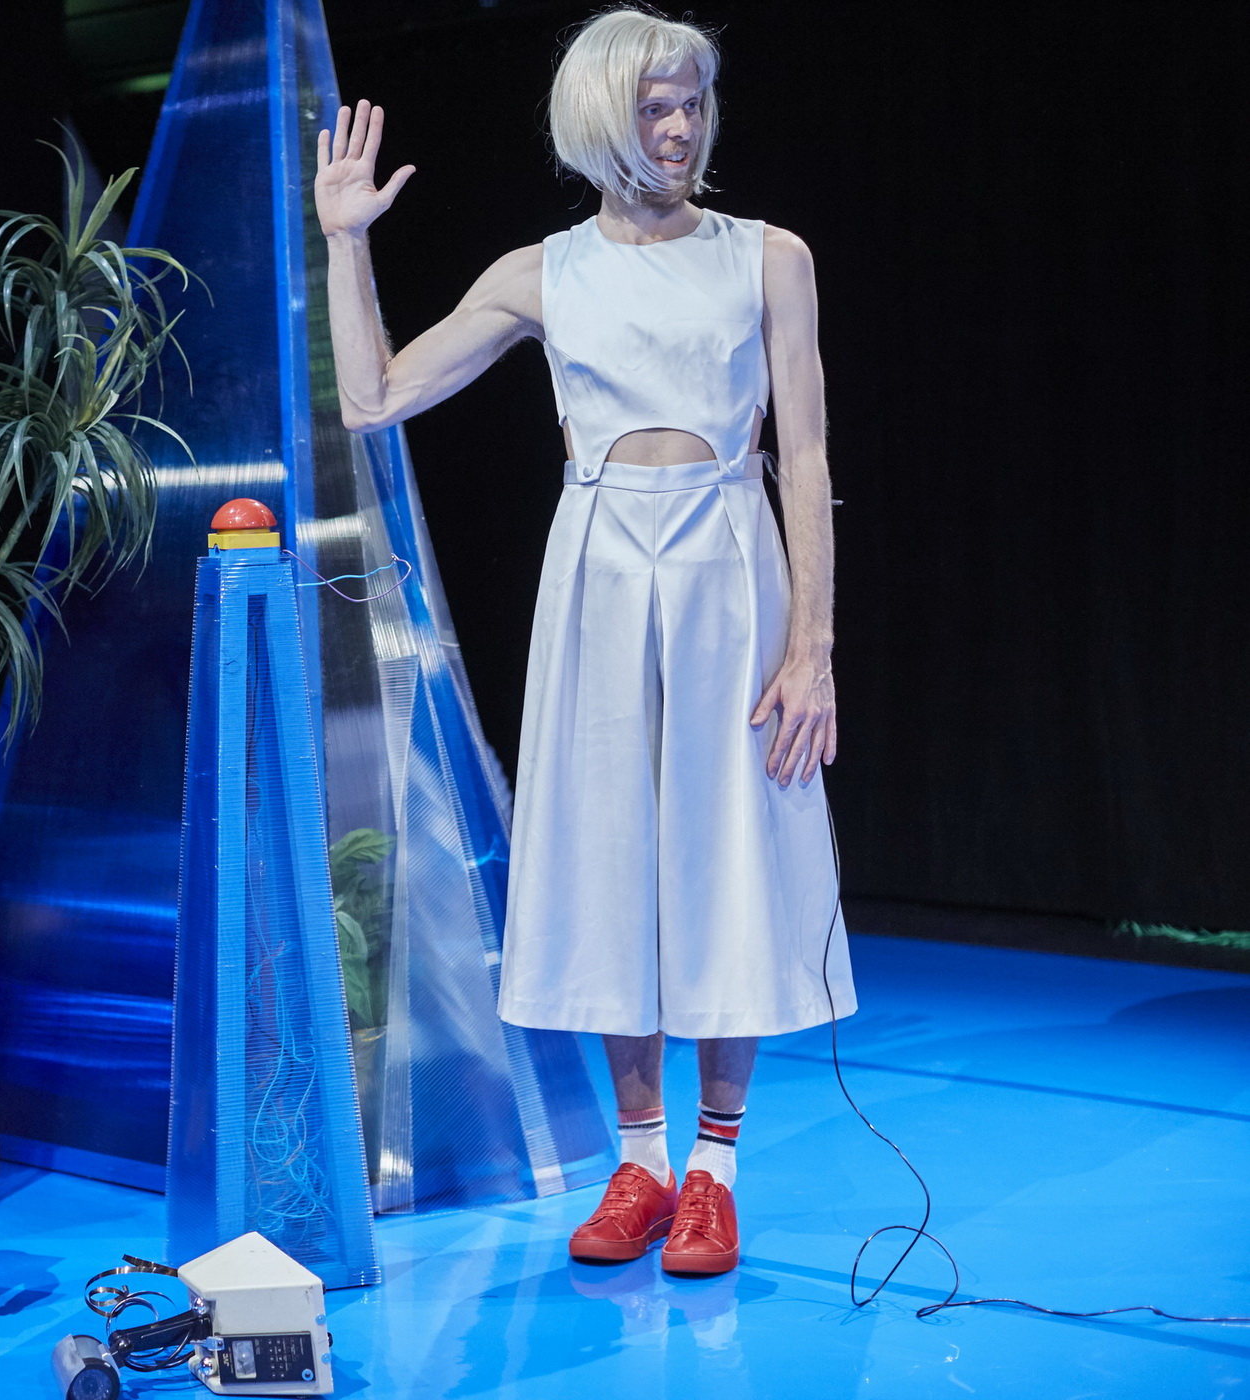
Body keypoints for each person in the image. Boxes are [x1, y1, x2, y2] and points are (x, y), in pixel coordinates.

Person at [315, 7, 853, 1276]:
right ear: (602, 120)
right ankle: (643, 1159)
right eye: (655, 107)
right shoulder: (542, 272)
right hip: (601, 568)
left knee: (727, 852)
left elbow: (807, 453)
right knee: (614, 855)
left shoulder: (768, 257)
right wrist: (345, 244)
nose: (680, 128)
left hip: (729, 567)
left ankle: (715, 1167)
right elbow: (374, 395)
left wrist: (813, 646)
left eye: (692, 104)